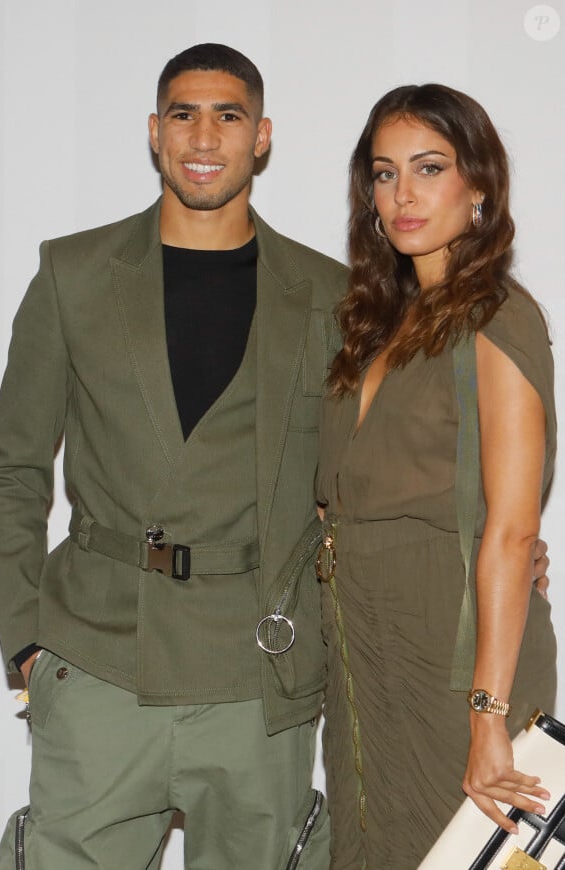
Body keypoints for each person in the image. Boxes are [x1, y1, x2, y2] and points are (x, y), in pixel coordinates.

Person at [0, 44, 348, 870]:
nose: (205, 135)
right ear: (156, 132)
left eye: (229, 115)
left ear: (262, 137)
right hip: (100, 657)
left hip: (260, 672)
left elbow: (356, 483)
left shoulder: (330, 294)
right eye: (184, 113)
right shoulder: (74, 273)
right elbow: (11, 467)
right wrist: (27, 643)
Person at [316, 83, 558, 868]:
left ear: (478, 188)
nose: (404, 194)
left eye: (429, 167)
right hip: (365, 658)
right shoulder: (374, 324)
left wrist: (488, 716)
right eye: (385, 174)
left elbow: (514, 527)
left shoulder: (498, 316)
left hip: (453, 666)